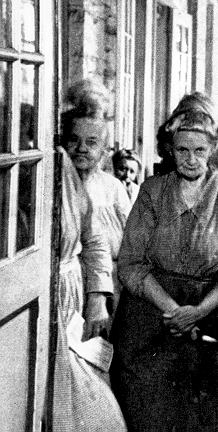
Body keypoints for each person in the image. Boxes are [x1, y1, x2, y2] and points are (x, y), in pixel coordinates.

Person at [111, 92, 218, 432]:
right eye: (182, 150)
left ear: (213, 148)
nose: (191, 160)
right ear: (170, 148)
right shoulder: (152, 192)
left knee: (214, 416)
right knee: (152, 412)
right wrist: (174, 311)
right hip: (153, 317)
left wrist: (200, 310)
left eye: (200, 151)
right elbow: (131, 263)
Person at [52, 146, 127, 431]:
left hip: (69, 291)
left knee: (79, 384)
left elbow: (95, 241)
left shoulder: (62, 165)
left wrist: (97, 298)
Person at [62, 79, 131, 324]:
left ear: (104, 149)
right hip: (69, 284)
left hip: (109, 288)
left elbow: (132, 244)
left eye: (91, 143)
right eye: (73, 140)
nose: (81, 148)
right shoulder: (58, 186)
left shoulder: (112, 188)